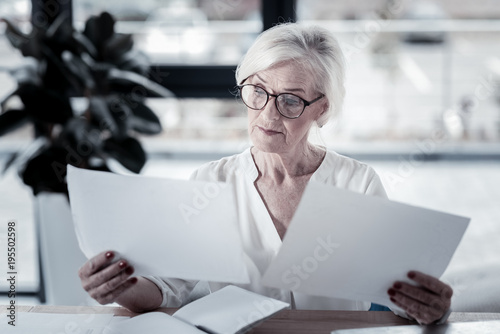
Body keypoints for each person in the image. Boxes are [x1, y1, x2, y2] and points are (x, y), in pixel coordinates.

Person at [78, 23, 452, 325]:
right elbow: (166, 288)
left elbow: (395, 294)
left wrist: (431, 307)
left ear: (320, 108)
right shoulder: (212, 183)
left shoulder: (358, 182)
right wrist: (118, 288)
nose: (269, 115)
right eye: (257, 91)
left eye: (291, 100)